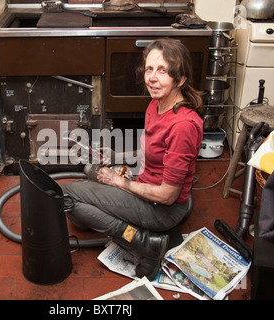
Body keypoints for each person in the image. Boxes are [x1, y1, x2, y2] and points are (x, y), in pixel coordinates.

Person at [62, 38, 204, 280]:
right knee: (91, 172)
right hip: (145, 185)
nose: (152, 78)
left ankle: (144, 244)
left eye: (163, 70)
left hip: (162, 209)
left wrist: (119, 182)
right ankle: (124, 220)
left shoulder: (183, 126)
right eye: (150, 69)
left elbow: (168, 196)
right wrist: (118, 157)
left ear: (180, 79)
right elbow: (153, 154)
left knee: (68, 196)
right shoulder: (156, 105)